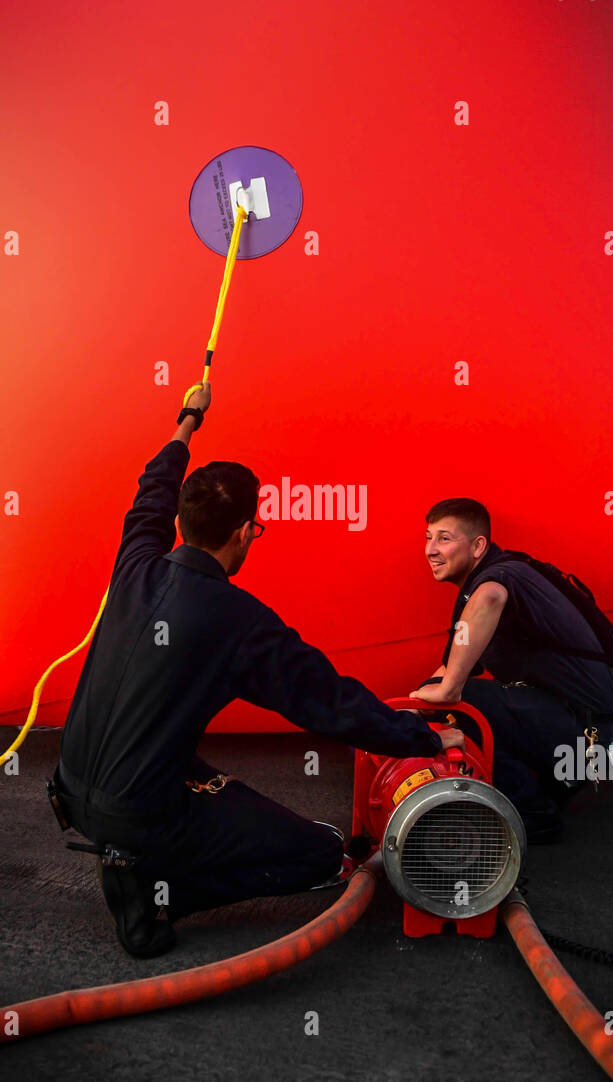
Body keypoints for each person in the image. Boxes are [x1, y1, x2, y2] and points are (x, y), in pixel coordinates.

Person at [50, 383, 462, 957]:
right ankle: (160, 893)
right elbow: (329, 701)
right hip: (138, 813)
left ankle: (145, 856)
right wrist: (425, 737)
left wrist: (186, 423)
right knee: (321, 853)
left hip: (71, 789)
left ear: (181, 521)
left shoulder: (135, 564)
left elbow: (152, 490)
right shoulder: (237, 620)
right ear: (246, 531)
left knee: (201, 776)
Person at [410, 498, 613, 843]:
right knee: (443, 695)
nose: (430, 550)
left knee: (464, 703)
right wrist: (412, 704)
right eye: (428, 537)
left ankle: (532, 815)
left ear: (478, 546)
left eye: (444, 538)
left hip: (583, 738)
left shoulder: (495, 579)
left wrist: (445, 694)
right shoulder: (505, 573)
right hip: (577, 733)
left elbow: (491, 597)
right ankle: (544, 789)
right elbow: (451, 667)